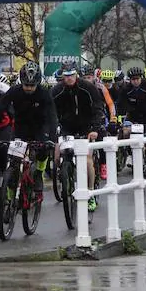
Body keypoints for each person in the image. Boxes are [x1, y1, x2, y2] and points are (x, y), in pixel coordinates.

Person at [0, 62, 58, 193]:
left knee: (43, 151)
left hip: (40, 127)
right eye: (26, 85)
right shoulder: (14, 91)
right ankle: (9, 197)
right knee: (14, 160)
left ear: (37, 83)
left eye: (32, 86)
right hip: (20, 127)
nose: (29, 88)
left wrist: (52, 138)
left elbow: (52, 116)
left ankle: (39, 173)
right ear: (21, 82)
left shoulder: (44, 93)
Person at [51, 63, 106, 209]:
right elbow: (50, 111)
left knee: (87, 161)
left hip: (86, 127)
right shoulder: (57, 90)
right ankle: (65, 176)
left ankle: (90, 194)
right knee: (57, 157)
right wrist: (52, 128)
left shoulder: (88, 88)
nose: (69, 79)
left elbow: (98, 107)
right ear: (63, 76)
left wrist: (94, 128)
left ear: (76, 75)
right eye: (66, 76)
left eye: (71, 75)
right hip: (66, 127)